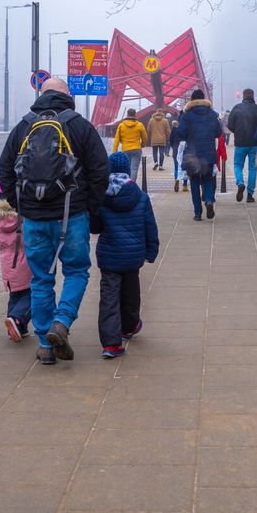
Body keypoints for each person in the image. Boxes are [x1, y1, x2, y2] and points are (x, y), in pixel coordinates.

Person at [0, 78, 109, 365]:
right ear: (67, 96)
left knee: (41, 279)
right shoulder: (80, 126)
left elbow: (4, 170)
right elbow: (99, 170)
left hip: (33, 218)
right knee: (77, 271)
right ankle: (62, 320)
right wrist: (90, 208)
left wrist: (22, 203)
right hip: (72, 215)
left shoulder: (24, 125)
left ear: (41, 94)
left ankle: (46, 344)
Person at [96, 152, 160, 359]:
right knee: (131, 293)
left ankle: (111, 344)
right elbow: (150, 226)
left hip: (109, 257)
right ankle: (129, 326)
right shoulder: (140, 196)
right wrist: (152, 251)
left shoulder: (102, 196)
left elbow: (95, 227)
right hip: (133, 256)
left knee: (109, 298)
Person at [172, 89, 223, 220]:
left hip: (192, 153)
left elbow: (181, 134)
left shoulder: (187, 115)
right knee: (207, 179)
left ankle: (198, 213)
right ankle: (209, 200)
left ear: (192, 101)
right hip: (209, 152)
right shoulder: (212, 114)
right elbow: (218, 132)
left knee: (194, 182)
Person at [0, 182, 32, 343]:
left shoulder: (0, 219)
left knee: (15, 295)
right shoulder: (21, 217)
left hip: (7, 265)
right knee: (33, 296)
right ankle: (16, 320)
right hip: (23, 263)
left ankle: (16, 329)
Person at [227, 89, 257, 203]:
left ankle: (240, 182)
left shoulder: (237, 108)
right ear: (253, 96)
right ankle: (250, 194)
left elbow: (230, 125)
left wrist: (237, 132)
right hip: (254, 143)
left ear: (243, 96)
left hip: (240, 143)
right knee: (253, 168)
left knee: (238, 165)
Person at [113, 108, 149, 183]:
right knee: (134, 169)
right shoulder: (139, 125)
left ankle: (126, 184)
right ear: (135, 115)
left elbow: (116, 140)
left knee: (126, 169)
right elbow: (145, 137)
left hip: (125, 149)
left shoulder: (121, 125)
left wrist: (114, 152)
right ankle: (132, 185)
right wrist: (142, 145)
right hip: (136, 149)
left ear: (127, 114)